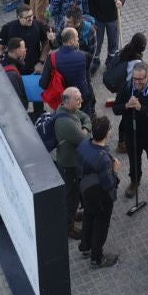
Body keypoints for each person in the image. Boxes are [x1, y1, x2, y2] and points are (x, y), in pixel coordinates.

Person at [76, 115, 121, 268]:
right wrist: (114, 171)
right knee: (101, 226)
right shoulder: (104, 159)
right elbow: (109, 184)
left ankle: (85, 246)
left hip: (85, 191)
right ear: (107, 133)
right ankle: (97, 258)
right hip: (100, 197)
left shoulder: (84, 145)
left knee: (88, 218)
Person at [116, 60, 148, 197]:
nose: (136, 82)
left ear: (147, 76)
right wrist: (126, 105)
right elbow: (115, 109)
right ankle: (134, 181)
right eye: (135, 78)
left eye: (140, 79)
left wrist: (141, 108)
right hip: (132, 134)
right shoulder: (127, 87)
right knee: (134, 159)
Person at [51, 87, 92, 235]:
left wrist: (85, 127)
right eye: (77, 99)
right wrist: (87, 130)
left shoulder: (68, 110)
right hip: (69, 165)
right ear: (67, 102)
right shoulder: (65, 123)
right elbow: (84, 140)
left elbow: (86, 117)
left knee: (74, 193)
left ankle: (73, 216)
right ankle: (69, 227)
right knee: (71, 197)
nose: (81, 101)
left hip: (73, 162)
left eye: (80, 97)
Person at [48, 26, 93, 112]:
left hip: (64, 99)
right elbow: (87, 73)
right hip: (82, 95)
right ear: (71, 41)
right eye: (76, 37)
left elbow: (43, 83)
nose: (78, 39)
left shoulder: (52, 58)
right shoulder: (85, 55)